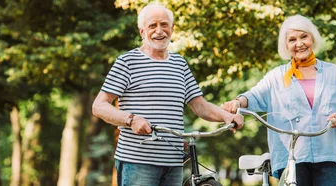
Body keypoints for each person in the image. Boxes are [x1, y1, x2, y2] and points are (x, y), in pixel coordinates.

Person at [91, 3, 244, 186]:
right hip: (138, 162)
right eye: (152, 26)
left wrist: (227, 116)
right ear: (142, 32)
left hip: (173, 162)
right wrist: (130, 119)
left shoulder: (179, 64)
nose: (159, 31)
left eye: (164, 25)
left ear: (172, 29)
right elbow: (99, 106)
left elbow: (200, 106)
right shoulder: (127, 62)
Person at [221, 15, 336, 186]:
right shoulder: (277, 76)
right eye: (292, 39)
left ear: (312, 37)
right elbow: (253, 95)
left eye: (304, 36)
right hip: (291, 158)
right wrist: (237, 102)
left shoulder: (334, 73)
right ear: (286, 46)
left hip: (329, 157)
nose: (299, 43)